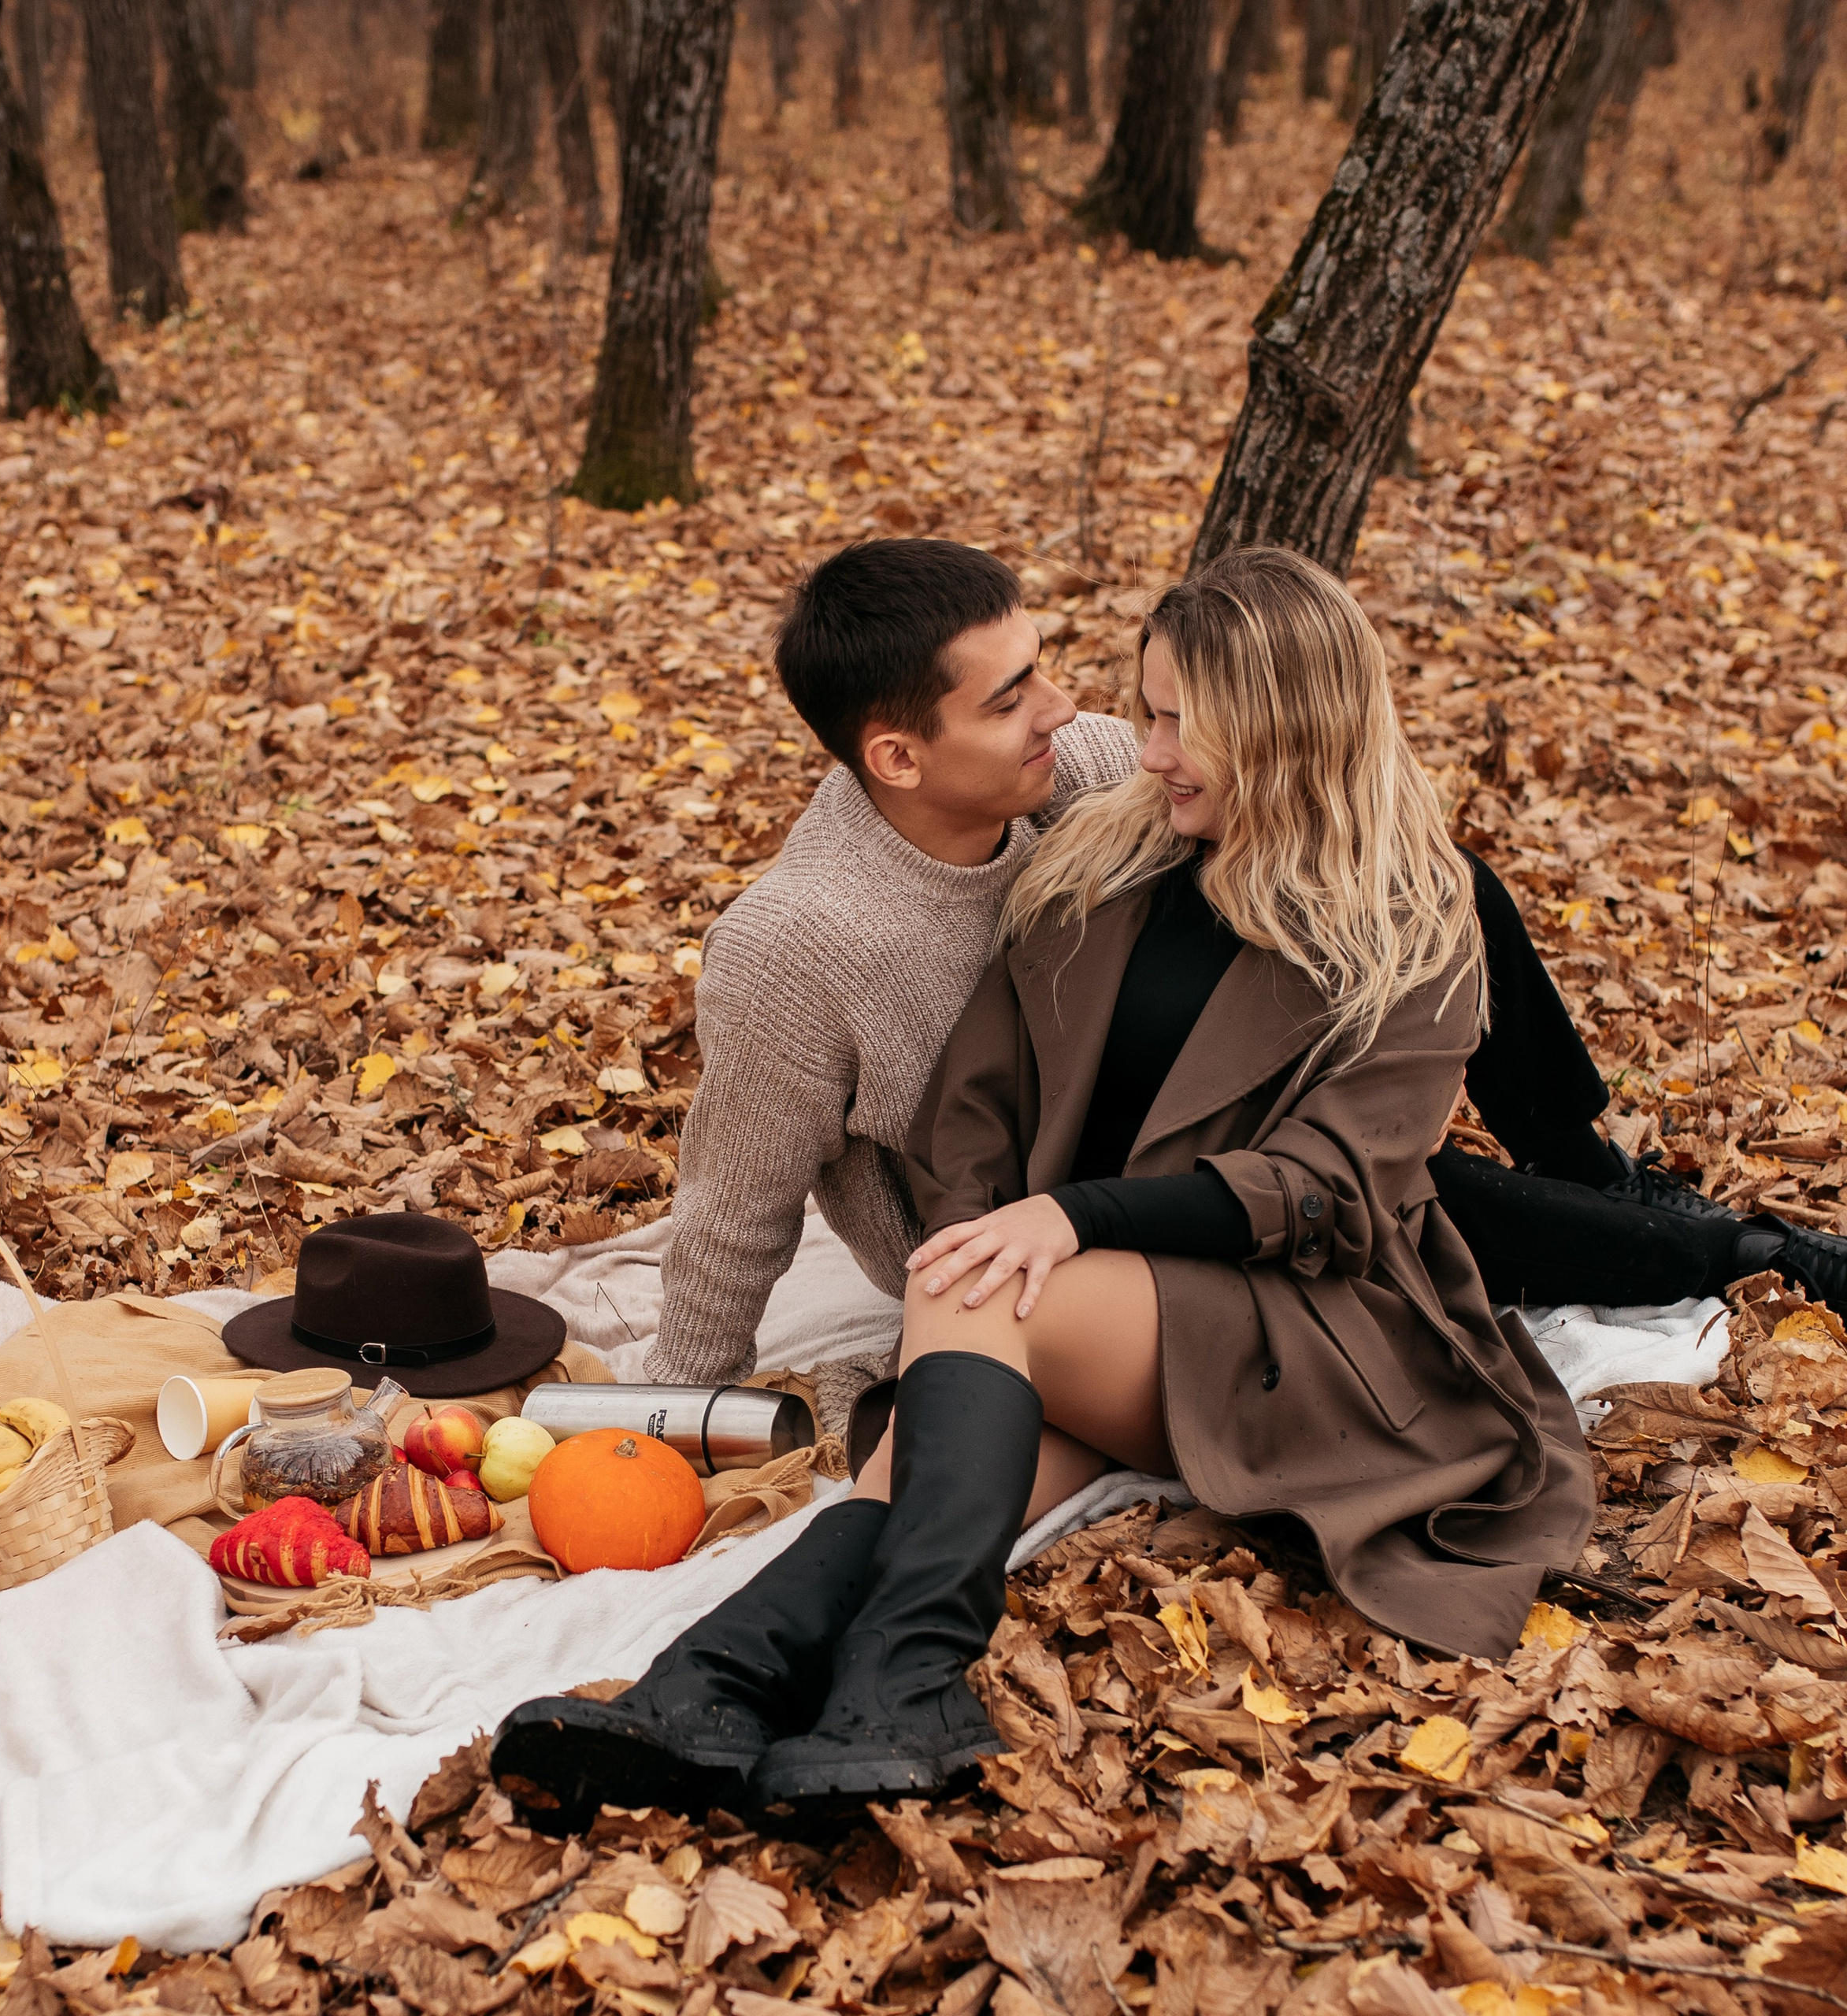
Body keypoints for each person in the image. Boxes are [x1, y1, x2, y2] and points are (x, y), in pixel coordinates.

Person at [491, 548, 1599, 1827]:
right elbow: (980, 1100)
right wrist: (976, 1238)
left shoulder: (1413, 918)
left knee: (980, 1302)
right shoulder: (1110, 850)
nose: (1135, 745)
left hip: (1307, 1320)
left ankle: (903, 1679)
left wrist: (1063, 1222)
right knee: (940, 1409)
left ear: (1282, 730)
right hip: (1103, 1305)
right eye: (1148, 711)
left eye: (1178, 723)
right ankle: (711, 1685)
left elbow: (1330, 1189)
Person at [645, 539, 1845, 1413]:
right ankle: (1743, 1255)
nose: (1066, 711)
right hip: (1020, 1221)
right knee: (1405, 1205)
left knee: (1443, 894)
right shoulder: (797, 945)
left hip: (1195, 1120)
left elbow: (1311, 819)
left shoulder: (1077, 767)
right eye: (1012, 700)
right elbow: (732, 1209)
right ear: (899, 757)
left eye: (1045, 667)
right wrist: (676, 1411)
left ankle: (1589, 1166)